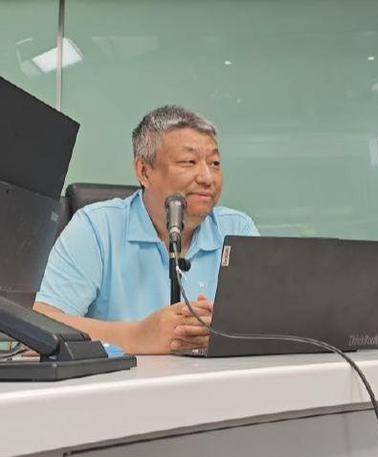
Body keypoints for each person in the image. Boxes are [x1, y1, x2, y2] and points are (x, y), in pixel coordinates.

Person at [33, 105, 259, 354]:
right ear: (144, 171)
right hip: (122, 379)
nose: (207, 177)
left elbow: (271, 326)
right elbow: (38, 327)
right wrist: (138, 336)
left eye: (215, 163)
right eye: (189, 162)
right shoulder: (97, 228)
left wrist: (226, 332)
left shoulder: (237, 229)